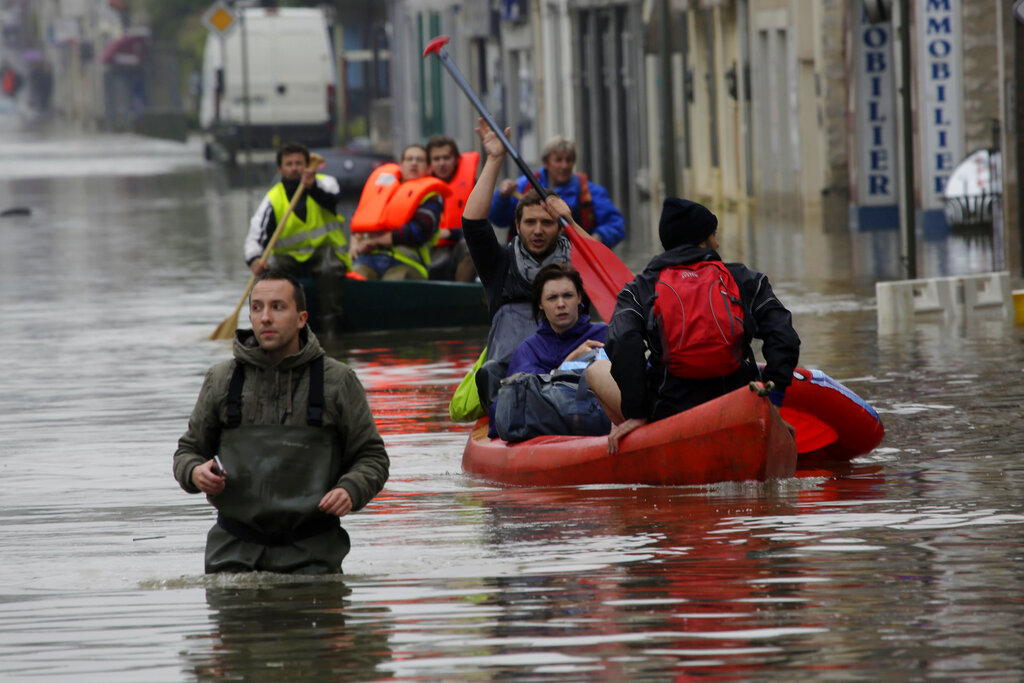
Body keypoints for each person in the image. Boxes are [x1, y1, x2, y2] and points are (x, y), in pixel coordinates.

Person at [173, 270, 390, 574]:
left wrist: (351, 489)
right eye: (257, 308)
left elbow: (372, 458)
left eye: (277, 307)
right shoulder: (220, 380)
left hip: (314, 557)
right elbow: (187, 452)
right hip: (231, 556)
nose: (265, 318)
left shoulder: (338, 381)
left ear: (302, 318)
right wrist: (195, 472)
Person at [587, 197, 801, 454]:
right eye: (714, 235)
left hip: (669, 411)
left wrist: (638, 412)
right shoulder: (743, 278)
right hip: (741, 405)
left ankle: (638, 439)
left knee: (596, 370)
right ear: (703, 240)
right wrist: (773, 402)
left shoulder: (639, 288)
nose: (718, 243)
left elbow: (621, 342)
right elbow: (784, 336)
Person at [462, 118, 594, 408]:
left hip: (575, 378)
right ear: (517, 225)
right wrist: (495, 159)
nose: (537, 231)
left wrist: (570, 221)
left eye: (547, 223)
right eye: (530, 222)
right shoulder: (499, 264)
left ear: (559, 229)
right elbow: (472, 224)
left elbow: (602, 267)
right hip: (513, 382)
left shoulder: (580, 261)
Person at [491, 263, 609, 439]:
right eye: (552, 298)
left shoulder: (605, 335)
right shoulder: (528, 350)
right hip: (548, 432)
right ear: (540, 303)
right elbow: (516, 405)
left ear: (579, 298)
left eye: (567, 296)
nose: (561, 304)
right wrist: (568, 365)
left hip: (600, 422)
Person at [243, 142, 350, 329]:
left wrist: (312, 187)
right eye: (289, 164)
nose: (294, 168)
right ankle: (276, 327)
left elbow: (332, 201)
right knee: (270, 277)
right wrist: (254, 259)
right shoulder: (272, 199)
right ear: (280, 169)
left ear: (307, 165)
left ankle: (332, 326)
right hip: (289, 259)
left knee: (328, 268)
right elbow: (255, 236)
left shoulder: (325, 183)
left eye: (299, 163)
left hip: (324, 252)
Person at [488, 136, 626, 248]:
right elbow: (498, 220)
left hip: (574, 261)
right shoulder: (522, 186)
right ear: (546, 162)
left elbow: (616, 224)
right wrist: (501, 198)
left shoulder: (591, 192)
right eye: (559, 160)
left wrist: (596, 238)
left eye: (569, 160)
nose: (565, 166)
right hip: (528, 259)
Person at [348, 144, 447, 280]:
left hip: (408, 262)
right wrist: (354, 244)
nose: (414, 163)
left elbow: (417, 231)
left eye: (419, 160)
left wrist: (375, 242)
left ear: (429, 168)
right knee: (355, 280)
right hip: (368, 259)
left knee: (393, 283)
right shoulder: (382, 190)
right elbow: (360, 221)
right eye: (409, 159)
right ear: (400, 165)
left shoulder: (432, 197)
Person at [426, 135, 478, 282]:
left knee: (472, 243)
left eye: (446, 158)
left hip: (458, 248)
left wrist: (450, 233)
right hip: (429, 249)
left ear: (456, 160)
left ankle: (460, 295)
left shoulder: (473, 186)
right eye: (436, 159)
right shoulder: (418, 188)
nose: (442, 163)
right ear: (429, 163)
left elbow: (480, 225)